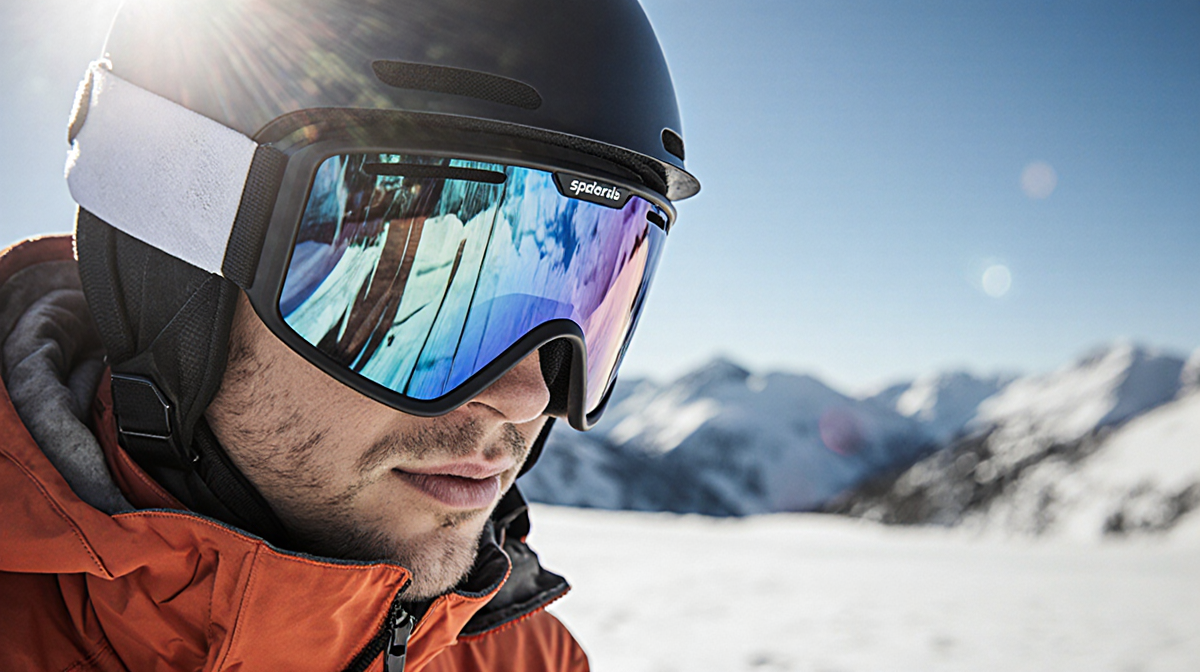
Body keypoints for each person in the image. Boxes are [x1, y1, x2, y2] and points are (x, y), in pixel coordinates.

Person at [0, 0, 699, 670]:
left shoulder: (528, 658)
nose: (528, 396)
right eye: (418, 290)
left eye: (589, 302)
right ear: (170, 289)